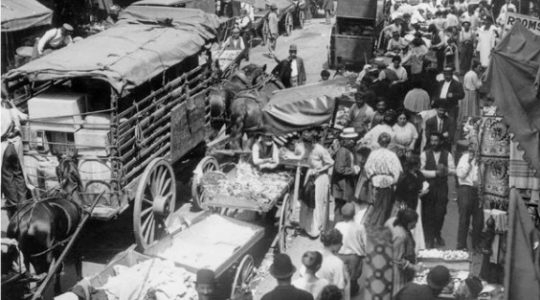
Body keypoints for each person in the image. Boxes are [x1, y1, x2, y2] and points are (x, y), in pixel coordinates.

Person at [420, 132, 456, 248]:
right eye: (432, 141)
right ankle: (428, 238)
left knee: (440, 213)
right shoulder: (425, 154)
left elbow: (453, 170)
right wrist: (435, 173)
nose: (434, 143)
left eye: (436, 141)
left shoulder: (447, 154)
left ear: (441, 141)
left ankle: (437, 234)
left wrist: (446, 170)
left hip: (442, 187)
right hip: (428, 187)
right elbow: (420, 171)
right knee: (428, 213)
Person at [363, 133, 403, 226]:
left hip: (375, 181)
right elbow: (399, 171)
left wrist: (371, 177)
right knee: (384, 208)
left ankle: (371, 226)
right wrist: (394, 181)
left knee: (374, 206)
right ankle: (378, 226)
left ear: (378, 142)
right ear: (388, 143)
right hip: (388, 182)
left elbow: (366, 168)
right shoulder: (392, 155)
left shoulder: (373, 154)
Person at [300, 131, 334, 238]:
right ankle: (305, 226)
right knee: (306, 201)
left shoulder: (320, 150)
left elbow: (330, 162)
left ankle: (315, 229)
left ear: (313, 141)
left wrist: (319, 170)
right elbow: (304, 157)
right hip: (310, 175)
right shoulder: (306, 148)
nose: (306, 145)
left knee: (316, 202)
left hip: (319, 177)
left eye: (308, 143)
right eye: (305, 143)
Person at [385, 209, 423, 296]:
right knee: (398, 291)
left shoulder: (392, 220)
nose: (415, 225)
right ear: (407, 223)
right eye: (413, 223)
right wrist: (413, 267)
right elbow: (397, 259)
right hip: (395, 269)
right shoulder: (400, 236)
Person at [1, 97, 28, 218]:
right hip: (16, 145)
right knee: (18, 173)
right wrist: (13, 105)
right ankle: (23, 203)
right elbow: (25, 117)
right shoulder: (11, 111)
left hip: (4, 146)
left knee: (7, 176)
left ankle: (13, 204)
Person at [395, 155, 428, 251]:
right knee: (407, 224)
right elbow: (398, 195)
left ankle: (417, 247)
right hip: (407, 204)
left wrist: (423, 191)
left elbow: (424, 184)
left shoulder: (419, 174)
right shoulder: (404, 178)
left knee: (416, 225)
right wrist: (402, 209)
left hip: (417, 203)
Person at [455, 140, 483, 251]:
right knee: (464, 218)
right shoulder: (464, 158)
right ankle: (461, 245)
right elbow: (460, 174)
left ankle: (476, 245)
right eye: (473, 146)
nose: (474, 149)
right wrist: (469, 162)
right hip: (465, 189)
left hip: (479, 191)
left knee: (479, 220)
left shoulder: (484, 160)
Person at [334, 203, 367, 296]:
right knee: (353, 277)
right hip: (355, 257)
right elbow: (365, 242)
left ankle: (341, 292)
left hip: (340, 254)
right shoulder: (360, 227)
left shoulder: (338, 225)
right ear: (354, 214)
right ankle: (352, 292)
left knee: (342, 275)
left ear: (342, 214)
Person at [331, 128, 360, 220]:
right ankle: (337, 228)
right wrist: (353, 170)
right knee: (340, 209)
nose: (352, 141)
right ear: (344, 140)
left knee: (343, 208)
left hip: (345, 185)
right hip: (341, 185)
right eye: (350, 139)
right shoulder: (343, 151)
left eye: (353, 139)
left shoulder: (349, 150)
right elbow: (339, 169)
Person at [317, 229, 350, 300]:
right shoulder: (337, 263)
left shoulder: (315, 254)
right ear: (333, 244)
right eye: (340, 242)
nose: (342, 244)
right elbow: (340, 288)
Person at [435, 66, 464, 140]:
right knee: (440, 121)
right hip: (441, 104)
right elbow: (436, 92)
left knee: (451, 122)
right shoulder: (440, 83)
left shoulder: (457, 84)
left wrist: (453, 95)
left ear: (451, 75)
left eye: (448, 74)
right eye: (445, 75)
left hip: (451, 105)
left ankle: (450, 138)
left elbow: (462, 95)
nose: (447, 76)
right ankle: (439, 137)